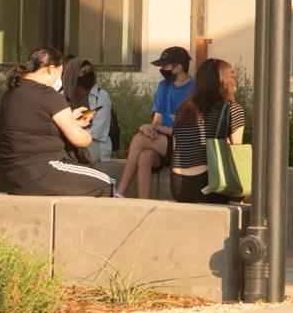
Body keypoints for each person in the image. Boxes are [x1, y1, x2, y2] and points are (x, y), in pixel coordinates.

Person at [0, 46, 116, 197]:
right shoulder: (48, 94)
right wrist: (83, 130)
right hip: (43, 171)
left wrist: (71, 120)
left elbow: (36, 126)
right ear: (51, 69)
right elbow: (81, 140)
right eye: (60, 73)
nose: (60, 80)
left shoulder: (10, 94)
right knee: (106, 183)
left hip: (9, 175)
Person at [119, 46, 194, 199]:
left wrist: (157, 128)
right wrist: (152, 129)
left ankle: (119, 192)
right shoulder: (163, 86)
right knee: (144, 156)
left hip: (183, 143)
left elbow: (187, 132)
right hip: (164, 142)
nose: (162, 69)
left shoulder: (194, 90)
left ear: (178, 67)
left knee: (139, 140)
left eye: (165, 65)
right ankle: (144, 204)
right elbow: (157, 120)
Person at [169, 59, 246, 204]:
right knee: (249, 187)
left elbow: (176, 147)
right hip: (209, 186)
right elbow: (236, 153)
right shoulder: (232, 108)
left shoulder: (184, 109)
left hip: (178, 187)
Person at [61, 57, 114, 164]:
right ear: (73, 75)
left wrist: (74, 134)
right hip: (68, 143)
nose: (88, 75)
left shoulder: (101, 96)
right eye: (84, 72)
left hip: (93, 144)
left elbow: (98, 131)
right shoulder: (61, 96)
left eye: (90, 71)